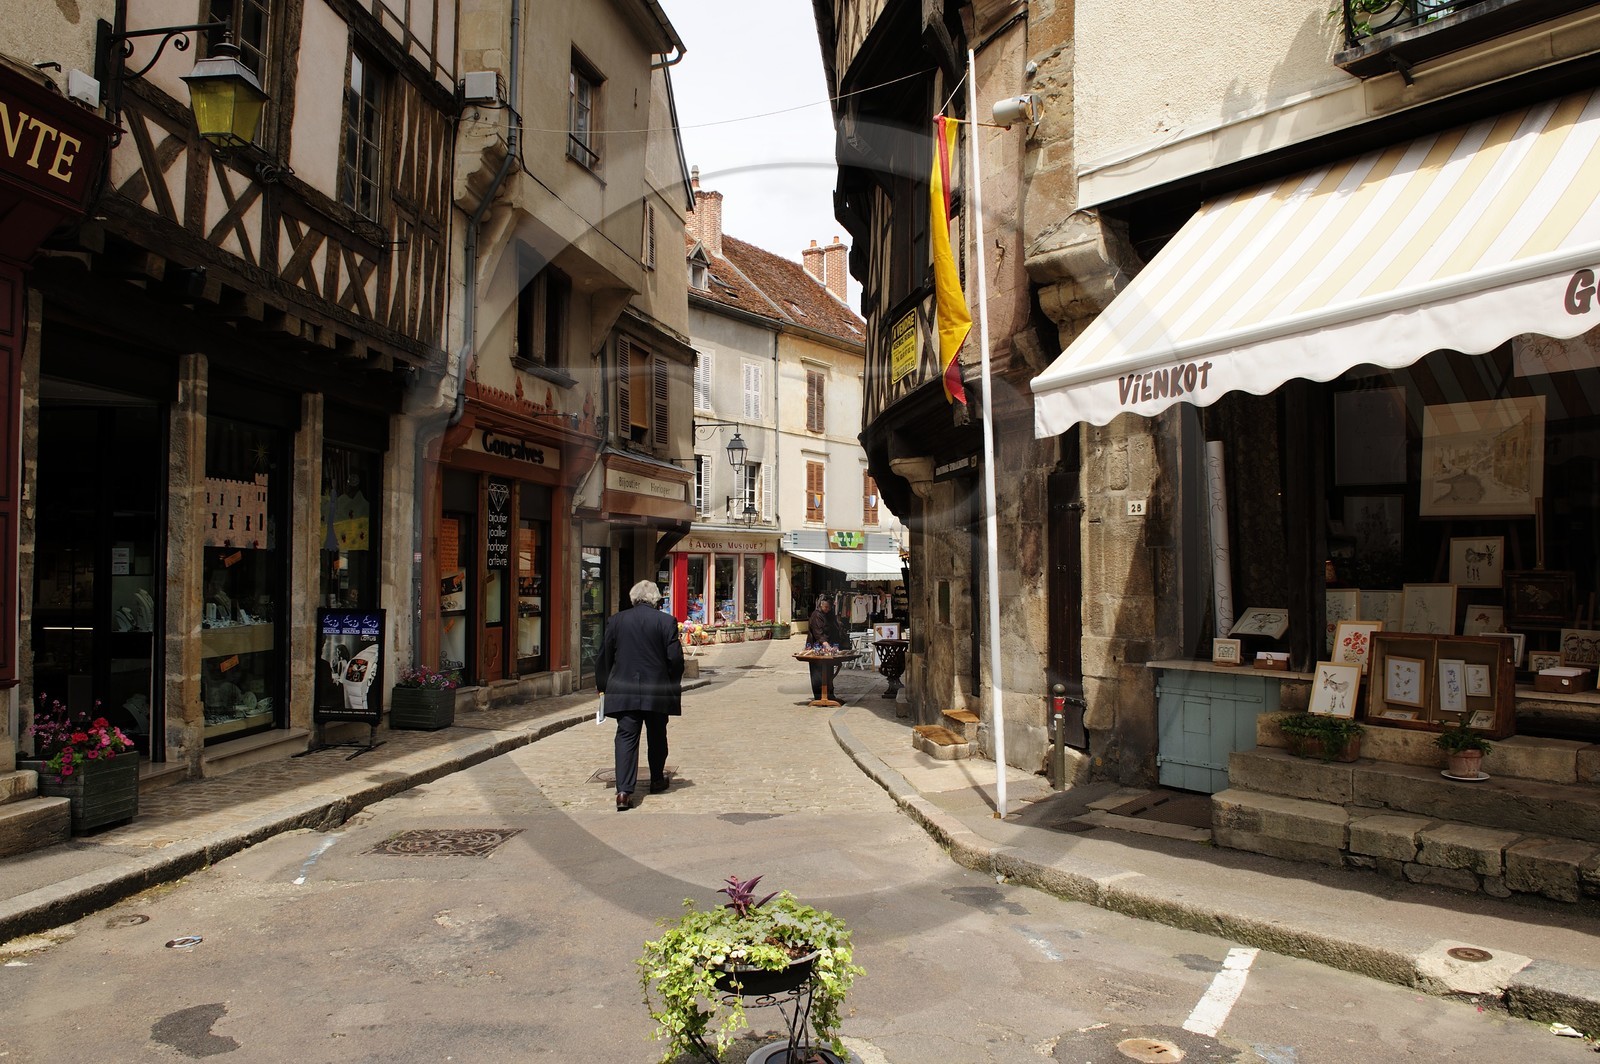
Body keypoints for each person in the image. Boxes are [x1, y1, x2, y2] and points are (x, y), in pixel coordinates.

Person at [597, 580, 684, 812]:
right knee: (657, 735)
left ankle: (623, 792)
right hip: (656, 690)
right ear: (656, 600)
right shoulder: (666, 621)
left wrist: (603, 685)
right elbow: (675, 659)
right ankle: (656, 779)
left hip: (624, 688)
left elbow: (605, 656)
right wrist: (671, 682)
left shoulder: (616, 621)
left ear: (632, 598)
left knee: (626, 738)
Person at [807, 594, 847, 702]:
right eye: (825, 607)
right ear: (821, 605)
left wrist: (835, 645)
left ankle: (829, 694)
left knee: (829, 671)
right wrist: (826, 645)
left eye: (829, 607)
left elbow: (835, 628)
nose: (827, 609)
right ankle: (820, 696)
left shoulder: (829, 615)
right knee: (818, 673)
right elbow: (818, 633)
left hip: (830, 646)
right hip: (818, 647)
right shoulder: (816, 615)